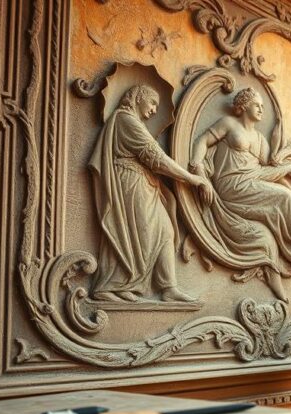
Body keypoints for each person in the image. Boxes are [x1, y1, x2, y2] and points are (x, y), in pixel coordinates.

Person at [188, 88, 291, 301]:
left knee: (280, 204)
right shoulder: (229, 124)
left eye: (263, 106)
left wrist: (288, 179)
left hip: (252, 183)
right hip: (231, 185)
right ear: (244, 106)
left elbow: (266, 173)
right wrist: (198, 169)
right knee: (283, 196)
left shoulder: (260, 140)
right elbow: (202, 142)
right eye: (257, 105)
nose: (261, 109)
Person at [89, 85, 207, 303]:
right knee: (134, 232)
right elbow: (156, 158)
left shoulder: (130, 122)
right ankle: (109, 285)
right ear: (139, 97)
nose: (154, 110)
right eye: (152, 103)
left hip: (142, 184)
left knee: (160, 230)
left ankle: (161, 286)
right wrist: (192, 179)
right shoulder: (126, 120)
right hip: (131, 184)